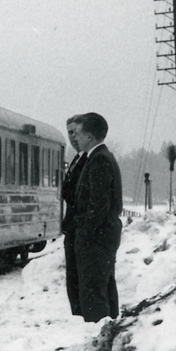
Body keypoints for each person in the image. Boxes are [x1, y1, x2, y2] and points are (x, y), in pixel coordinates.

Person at [66, 112, 123, 322]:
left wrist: (85, 234)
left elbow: (99, 205)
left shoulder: (98, 159)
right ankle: (108, 329)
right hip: (101, 235)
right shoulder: (99, 157)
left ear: (89, 136)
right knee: (101, 286)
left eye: (78, 133)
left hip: (97, 237)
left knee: (93, 291)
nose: (75, 138)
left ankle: (97, 332)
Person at [60, 117, 87, 316]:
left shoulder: (88, 160)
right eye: (70, 133)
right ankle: (76, 314)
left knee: (79, 278)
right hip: (72, 227)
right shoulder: (77, 159)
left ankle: (80, 315)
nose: (73, 137)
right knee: (73, 278)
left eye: (76, 132)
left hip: (79, 228)